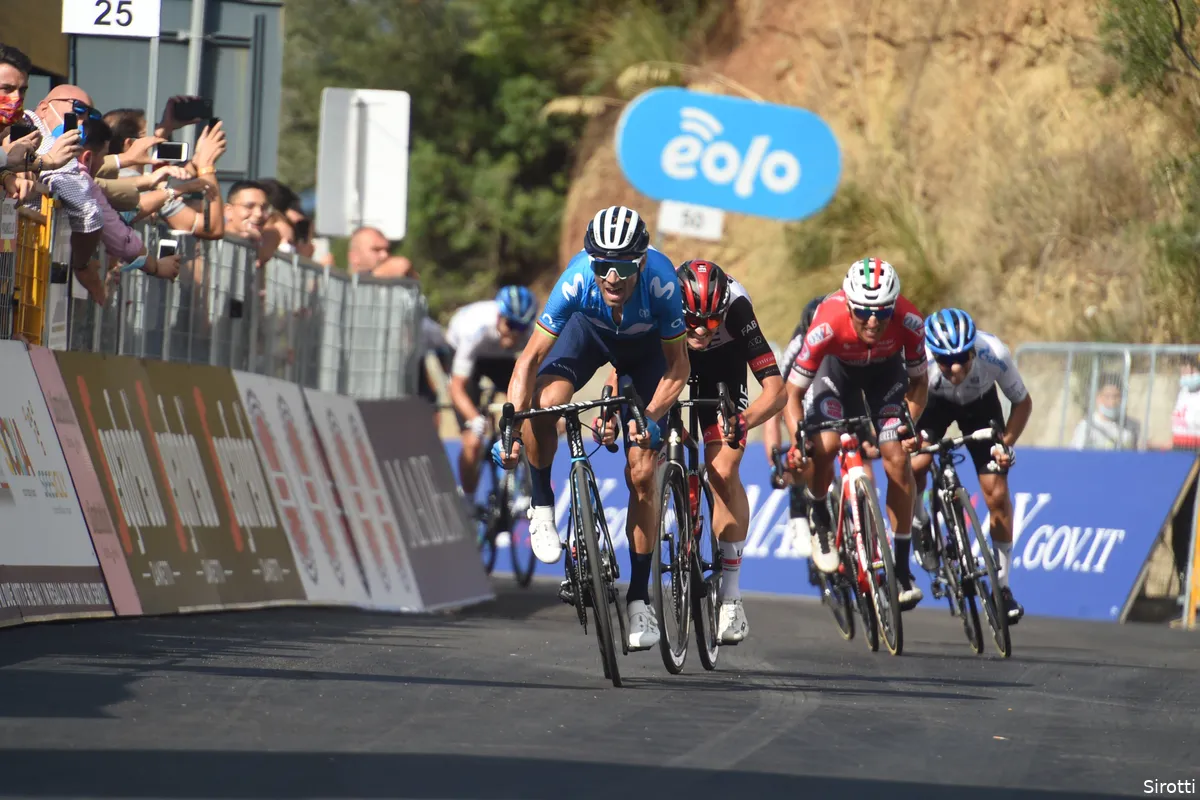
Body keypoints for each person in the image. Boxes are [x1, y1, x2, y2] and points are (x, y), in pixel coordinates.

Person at [493, 205, 689, 652]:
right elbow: (528, 360)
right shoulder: (579, 279)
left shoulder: (662, 283)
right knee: (546, 404)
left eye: (622, 267)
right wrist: (510, 424)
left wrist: (651, 418)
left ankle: (640, 598)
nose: (612, 278)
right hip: (589, 334)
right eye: (603, 266)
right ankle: (542, 505)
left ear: (639, 262)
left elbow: (678, 367)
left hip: (646, 354)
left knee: (641, 472)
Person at [598, 260, 784, 644]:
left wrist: (745, 420)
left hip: (722, 368)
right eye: (693, 320)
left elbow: (776, 390)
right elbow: (624, 366)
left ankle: (731, 597)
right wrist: (609, 410)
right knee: (645, 452)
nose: (700, 330)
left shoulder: (737, 307)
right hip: (667, 361)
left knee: (722, 470)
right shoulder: (660, 301)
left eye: (710, 321)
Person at [782, 258, 929, 609]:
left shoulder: (909, 321)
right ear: (849, 304)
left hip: (886, 377)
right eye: (863, 311)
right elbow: (792, 393)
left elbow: (920, 383)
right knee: (826, 444)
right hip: (836, 375)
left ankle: (903, 567)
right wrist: (798, 436)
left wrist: (909, 422)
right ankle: (819, 516)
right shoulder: (827, 322)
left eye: (883, 311)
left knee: (896, 457)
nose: (874, 321)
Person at [909, 308, 1032, 622]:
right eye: (944, 360)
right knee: (916, 465)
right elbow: (903, 404)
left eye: (962, 357)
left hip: (979, 407)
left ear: (973, 350)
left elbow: (1022, 402)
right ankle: (921, 521)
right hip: (933, 404)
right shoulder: (916, 358)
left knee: (997, 493)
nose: (953, 367)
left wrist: (1006, 443)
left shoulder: (994, 353)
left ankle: (1002, 589)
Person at [446, 286, 537, 500]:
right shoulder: (474, 330)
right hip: (467, 352)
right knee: (473, 441)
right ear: (499, 316)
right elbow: (456, 388)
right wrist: (474, 419)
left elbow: (534, 381)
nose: (515, 333)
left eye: (521, 328)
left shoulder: (529, 334)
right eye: (510, 325)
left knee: (529, 403)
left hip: (500, 357)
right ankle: (468, 501)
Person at [1070, 378, 1139, 450]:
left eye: (1116, 396)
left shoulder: (1133, 426)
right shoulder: (1086, 426)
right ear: (1097, 397)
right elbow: (1077, 456)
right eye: (1107, 396)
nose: (1112, 402)